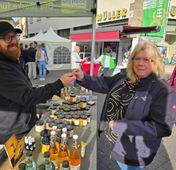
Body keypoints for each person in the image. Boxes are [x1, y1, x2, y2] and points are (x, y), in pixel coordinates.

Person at [73, 41, 176, 170]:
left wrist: (123, 126)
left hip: (135, 152)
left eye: (147, 59)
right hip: (116, 142)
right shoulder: (125, 77)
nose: (140, 63)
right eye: (137, 58)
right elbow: (104, 83)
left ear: (156, 63)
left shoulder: (163, 90)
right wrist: (83, 78)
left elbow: (162, 127)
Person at [0, 21, 76, 144]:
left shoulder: (9, 61)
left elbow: (25, 91)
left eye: (14, 36)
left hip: (18, 130)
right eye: (7, 38)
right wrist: (59, 83)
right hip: (7, 136)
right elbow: (27, 96)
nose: (14, 41)